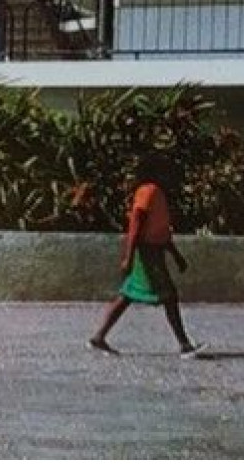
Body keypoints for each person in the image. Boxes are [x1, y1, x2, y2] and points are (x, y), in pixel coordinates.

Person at [87, 154, 205, 359]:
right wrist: (129, 256)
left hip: (154, 251)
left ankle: (99, 337)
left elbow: (160, 230)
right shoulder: (147, 192)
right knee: (168, 296)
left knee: (127, 296)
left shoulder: (156, 193)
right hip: (147, 253)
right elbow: (136, 225)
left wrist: (176, 255)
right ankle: (184, 344)